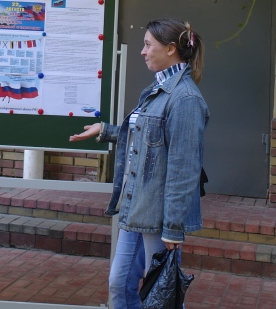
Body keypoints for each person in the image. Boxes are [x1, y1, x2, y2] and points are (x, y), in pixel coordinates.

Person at [69, 19, 209, 309]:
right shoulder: (158, 88)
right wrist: (107, 130)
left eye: (148, 45)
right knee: (119, 286)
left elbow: (184, 169)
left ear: (171, 49)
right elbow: (146, 139)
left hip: (158, 217)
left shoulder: (184, 99)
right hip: (136, 208)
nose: (142, 52)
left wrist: (172, 228)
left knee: (160, 297)